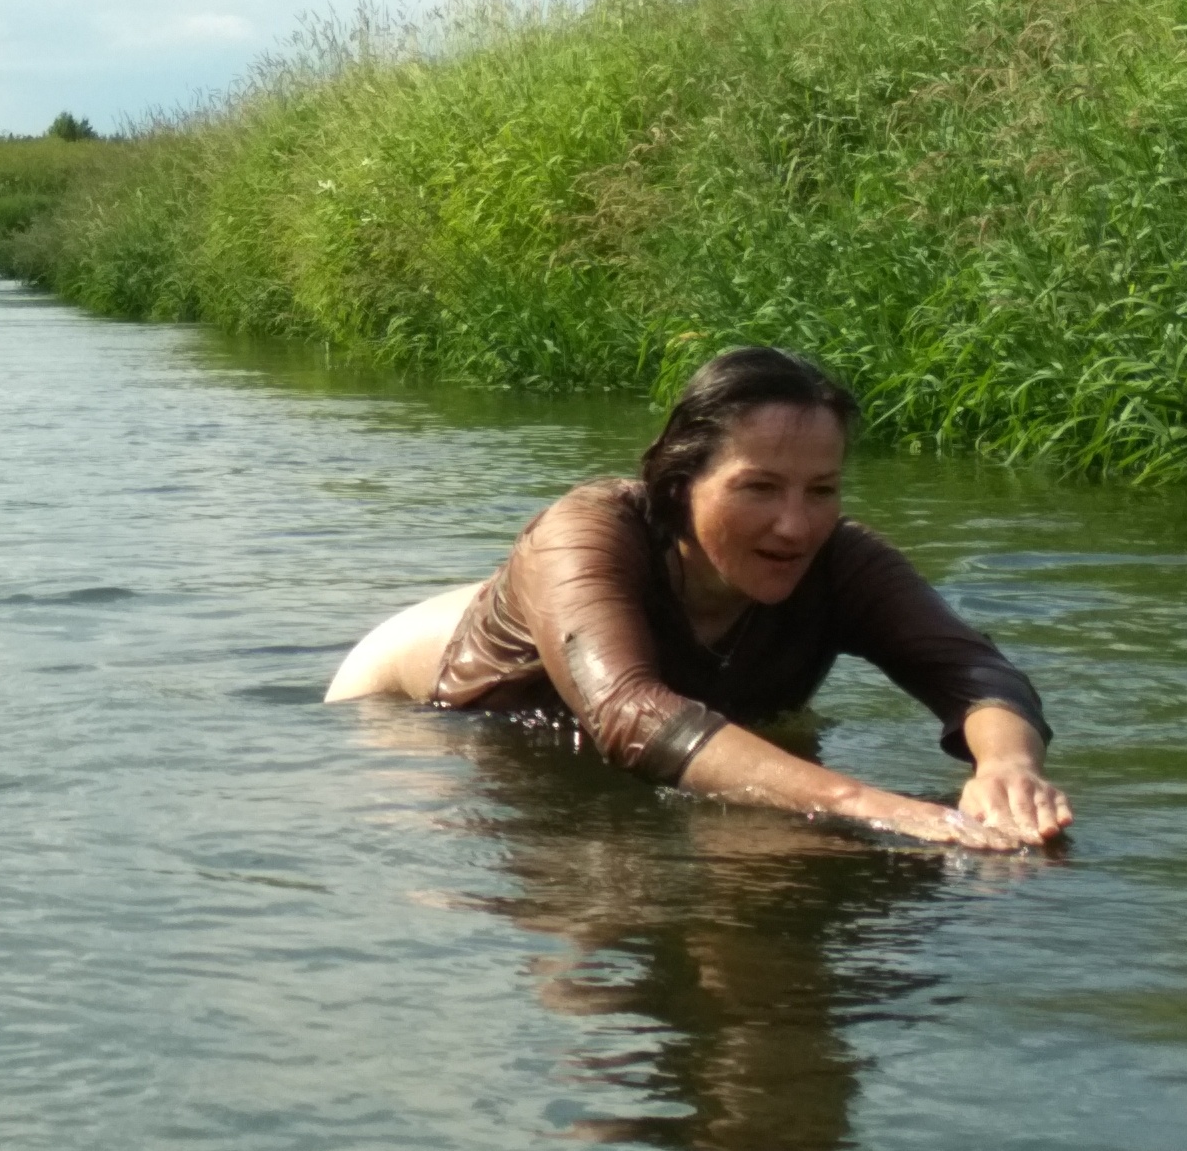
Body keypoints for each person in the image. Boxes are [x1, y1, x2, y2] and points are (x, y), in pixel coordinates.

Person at [326, 346, 1070, 851]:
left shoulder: (842, 560)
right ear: (680, 483)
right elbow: (630, 712)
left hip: (631, 705)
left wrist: (1008, 767)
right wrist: (873, 805)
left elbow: (976, 672)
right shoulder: (582, 532)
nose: (796, 525)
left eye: (821, 490)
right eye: (759, 488)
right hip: (415, 720)